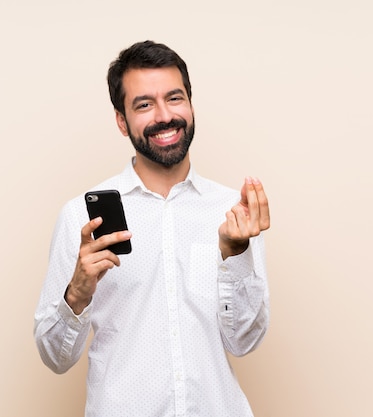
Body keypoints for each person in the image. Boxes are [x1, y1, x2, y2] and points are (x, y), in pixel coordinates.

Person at [34, 40, 271, 417]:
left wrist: (236, 255)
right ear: (121, 121)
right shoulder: (79, 216)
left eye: (174, 98)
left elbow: (244, 340)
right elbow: (54, 357)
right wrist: (76, 294)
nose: (164, 116)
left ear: (190, 104)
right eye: (144, 104)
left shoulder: (231, 212)